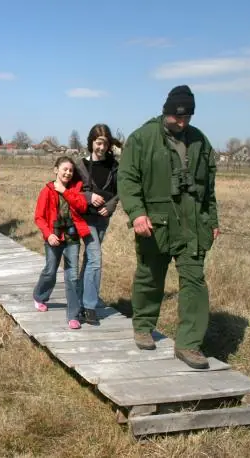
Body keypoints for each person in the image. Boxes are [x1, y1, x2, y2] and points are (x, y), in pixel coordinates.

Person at [118, 85, 220, 369]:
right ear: (166, 112)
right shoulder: (142, 139)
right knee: (150, 276)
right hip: (156, 223)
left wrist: (211, 220)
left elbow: (208, 186)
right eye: (177, 117)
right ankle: (143, 325)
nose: (182, 122)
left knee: (194, 282)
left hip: (193, 225)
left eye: (187, 116)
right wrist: (137, 214)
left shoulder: (200, 141)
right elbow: (127, 179)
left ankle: (189, 344)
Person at [33, 156, 90, 329]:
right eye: (64, 169)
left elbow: (82, 207)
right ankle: (40, 296)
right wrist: (48, 234)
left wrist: (64, 191)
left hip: (72, 238)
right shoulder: (47, 190)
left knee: (72, 276)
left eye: (71, 170)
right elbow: (39, 217)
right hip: (54, 238)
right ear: (56, 170)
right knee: (50, 271)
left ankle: (73, 314)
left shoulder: (76, 188)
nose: (68, 172)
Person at [74, 124, 121, 325]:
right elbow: (72, 192)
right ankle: (89, 307)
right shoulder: (81, 165)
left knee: (89, 260)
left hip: (103, 219)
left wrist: (110, 206)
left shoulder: (114, 166)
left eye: (105, 143)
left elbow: (120, 191)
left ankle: (79, 296)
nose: (101, 147)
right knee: (95, 258)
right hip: (85, 218)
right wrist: (89, 196)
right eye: (98, 143)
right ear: (91, 142)